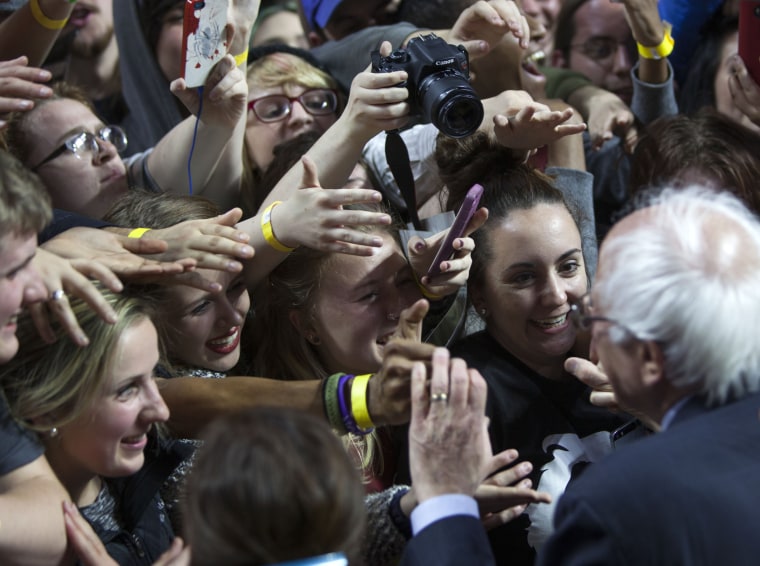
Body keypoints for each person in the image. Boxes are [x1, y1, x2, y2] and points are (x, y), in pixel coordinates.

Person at [537, 186, 760, 565]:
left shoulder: (614, 506)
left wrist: (446, 511)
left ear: (649, 357)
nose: (589, 337)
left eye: (597, 315)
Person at [433, 139, 625, 564]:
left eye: (569, 266)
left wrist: (660, 412)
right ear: (479, 294)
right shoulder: (463, 394)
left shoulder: (631, 352)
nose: (556, 295)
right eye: (523, 277)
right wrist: (452, 516)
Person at [0, 288, 190, 565]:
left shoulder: (136, 463)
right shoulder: (23, 546)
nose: (160, 410)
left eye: (153, 376)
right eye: (127, 390)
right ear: (46, 410)